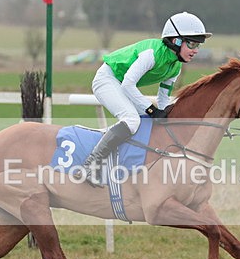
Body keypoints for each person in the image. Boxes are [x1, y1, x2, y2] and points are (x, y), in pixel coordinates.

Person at [79, 11, 212, 186]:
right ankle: (91, 164)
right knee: (132, 120)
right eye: (192, 43)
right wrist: (152, 110)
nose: (196, 50)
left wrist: (168, 115)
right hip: (107, 79)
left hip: (124, 85)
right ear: (176, 41)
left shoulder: (175, 67)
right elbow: (128, 84)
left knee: (155, 122)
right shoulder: (151, 54)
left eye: (198, 45)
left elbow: (163, 98)